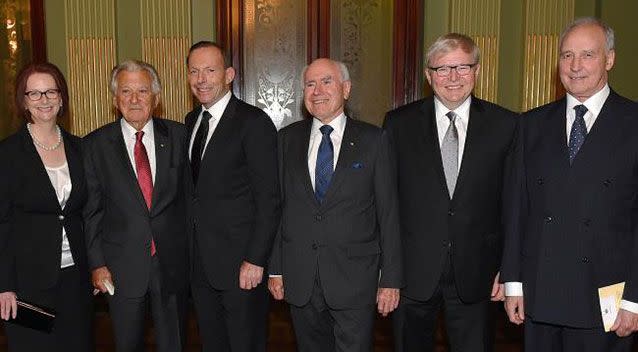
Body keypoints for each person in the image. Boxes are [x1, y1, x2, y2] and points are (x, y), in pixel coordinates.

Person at [501, 17, 638, 351]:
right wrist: (513, 283)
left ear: (609, 59)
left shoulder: (634, 123)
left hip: (607, 296)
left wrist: (634, 300)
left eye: (587, 55)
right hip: (541, 291)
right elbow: (517, 208)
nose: (575, 66)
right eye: (566, 55)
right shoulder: (531, 123)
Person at [383, 33, 517, 351]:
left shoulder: (506, 125)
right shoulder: (398, 125)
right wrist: (387, 271)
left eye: (462, 67)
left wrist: (509, 269)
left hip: (478, 274)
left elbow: (512, 205)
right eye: (442, 69)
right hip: (412, 275)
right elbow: (386, 203)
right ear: (429, 76)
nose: (453, 77)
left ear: (477, 70)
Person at [268, 58, 402, 351]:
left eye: (326, 81)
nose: (317, 91)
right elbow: (278, 208)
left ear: (346, 88)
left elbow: (388, 213)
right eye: (310, 84)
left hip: (355, 279)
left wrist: (390, 279)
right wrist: (276, 269)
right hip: (301, 277)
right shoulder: (286, 140)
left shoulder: (374, 140)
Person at [83, 60, 189, 351]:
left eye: (142, 90)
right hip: (120, 267)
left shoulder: (180, 137)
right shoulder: (94, 145)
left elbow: (191, 203)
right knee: (127, 344)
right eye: (126, 91)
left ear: (156, 97)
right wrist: (97, 264)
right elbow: (91, 211)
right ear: (115, 99)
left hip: (172, 265)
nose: (134, 99)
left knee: (174, 343)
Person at [184, 41, 280, 352]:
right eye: (195, 71)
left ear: (229, 74)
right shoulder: (191, 122)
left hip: (241, 266)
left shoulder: (253, 123)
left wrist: (255, 259)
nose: (202, 79)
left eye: (210, 70)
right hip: (199, 266)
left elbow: (269, 199)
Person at [0, 62, 93, 351]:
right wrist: (5, 285)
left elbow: (89, 213)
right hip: (28, 284)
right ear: (23, 101)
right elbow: (2, 223)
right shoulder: (8, 153)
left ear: (61, 97)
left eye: (51, 92)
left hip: (75, 280)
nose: (44, 100)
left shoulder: (81, 148)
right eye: (35, 94)